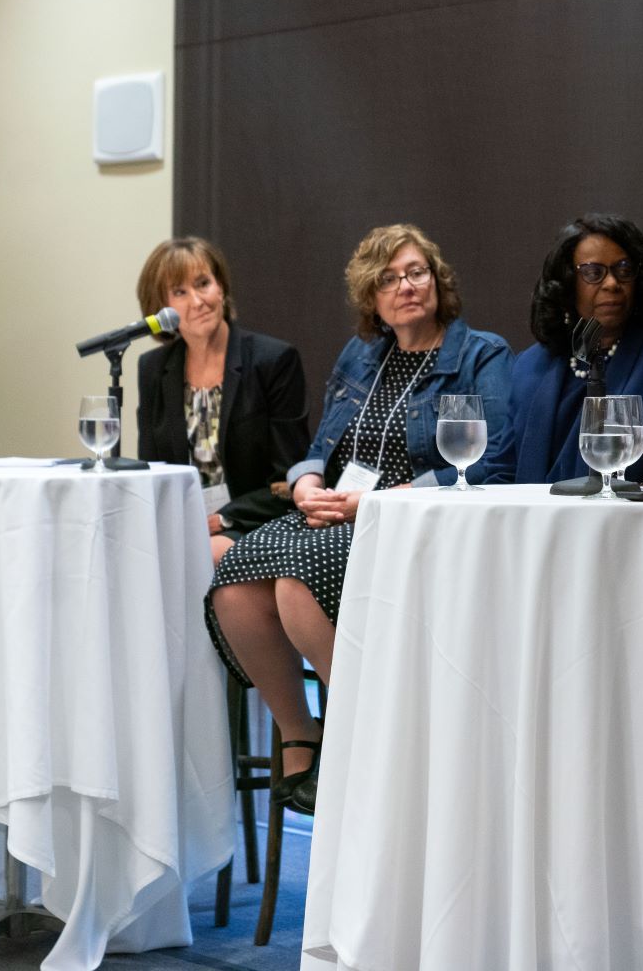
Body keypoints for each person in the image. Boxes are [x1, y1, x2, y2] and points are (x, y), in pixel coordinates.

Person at [208, 224, 513, 815]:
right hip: (343, 514)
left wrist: (382, 500)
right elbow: (320, 445)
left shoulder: (481, 353)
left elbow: (492, 464)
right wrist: (307, 484)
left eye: (416, 272)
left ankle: (358, 737)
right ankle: (301, 737)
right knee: (236, 580)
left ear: (437, 279)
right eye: (389, 279)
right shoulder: (362, 355)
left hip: (416, 522)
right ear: (370, 297)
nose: (405, 286)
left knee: (298, 578)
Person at [135, 237, 311, 564]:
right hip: (182, 523)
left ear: (222, 288)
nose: (198, 300)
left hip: (252, 521)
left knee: (201, 556)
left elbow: (288, 477)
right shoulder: (153, 369)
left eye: (204, 284)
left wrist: (223, 519)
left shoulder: (272, 361)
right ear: (160, 309)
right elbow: (151, 470)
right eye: (180, 292)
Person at [505, 213, 643, 483]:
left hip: (634, 522)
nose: (612, 283)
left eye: (624, 270)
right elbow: (501, 472)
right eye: (594, 273)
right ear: (568, 283)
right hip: (533, 523)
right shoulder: (529, 366)